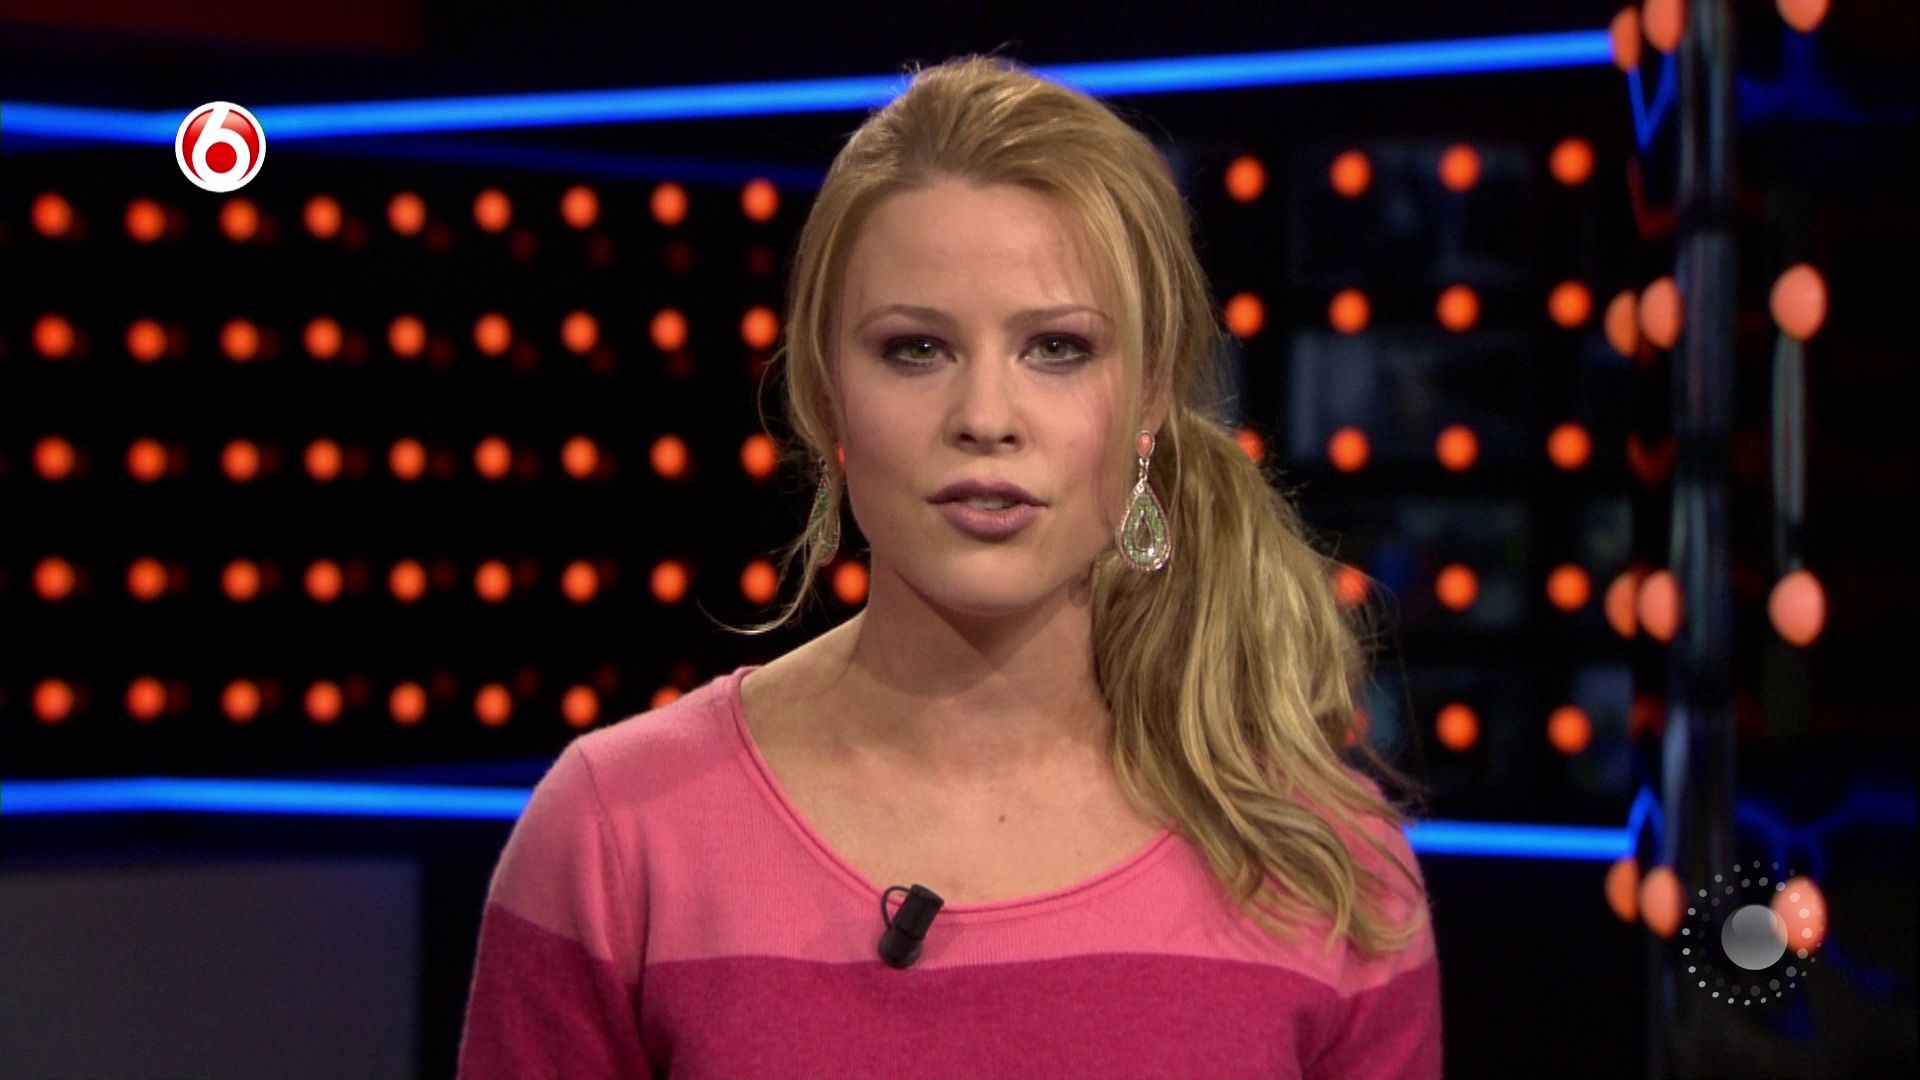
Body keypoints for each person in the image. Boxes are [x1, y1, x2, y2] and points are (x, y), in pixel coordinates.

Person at [458, 52, 1441, 1078]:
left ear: (1150, 397)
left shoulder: (1333, 876)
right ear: (826, 395)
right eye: (916, 350)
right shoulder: (619, 837)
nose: (984, 418)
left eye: (1057, 349)